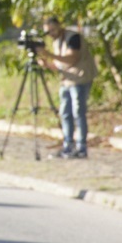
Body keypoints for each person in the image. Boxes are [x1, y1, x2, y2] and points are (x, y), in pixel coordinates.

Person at [38, 16, 98, 159]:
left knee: (78, 112)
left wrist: (49, 54)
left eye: (53, 29)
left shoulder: (73, 38)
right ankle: (68, 145)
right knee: (65, 112)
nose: (51, 33)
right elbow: (60, 65)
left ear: (59, 26)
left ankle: (81, 147)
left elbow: (72, 59)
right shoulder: (57, 42)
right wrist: (46, 64)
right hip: (67, 80)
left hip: (80, 78)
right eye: (48, 31)